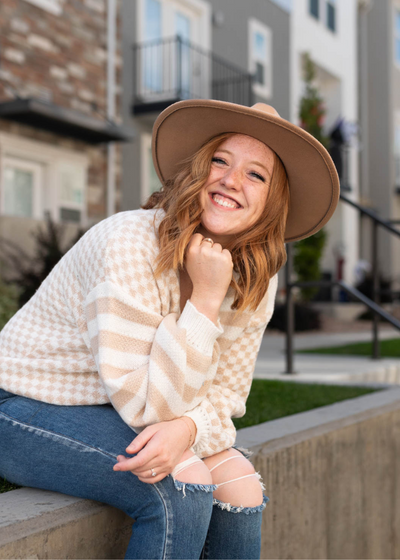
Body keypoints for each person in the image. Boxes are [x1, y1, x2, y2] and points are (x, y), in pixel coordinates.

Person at [0, 100, 339, 559]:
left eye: (256, 175)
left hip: (112, 407)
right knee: (180, 483)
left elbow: (227, 397)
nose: (231, 180)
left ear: (272, 203)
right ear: (198, 173)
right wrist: (204, 299)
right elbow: (148, 407)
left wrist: (190, 428)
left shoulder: (256, 276)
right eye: (220, 161)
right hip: (23, 406)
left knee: (239, 487)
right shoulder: (128, 243)